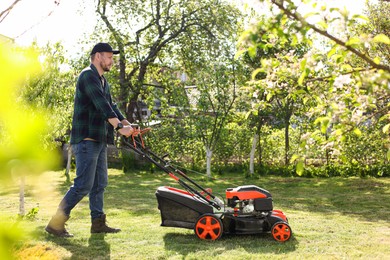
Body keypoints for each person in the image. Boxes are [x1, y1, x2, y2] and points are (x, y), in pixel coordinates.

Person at [45, 42, 137, 237]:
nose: (112, 61)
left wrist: (127, 124)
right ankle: (55, 223)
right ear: (98, 56)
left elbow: (112, 106)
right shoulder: (88, 76)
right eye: (109, 57)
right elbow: (102, 105)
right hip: (86, 139)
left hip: (99, 139)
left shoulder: (103, 81)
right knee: (83, 185)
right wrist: (120, 128)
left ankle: (98, 223)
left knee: (99, 184)